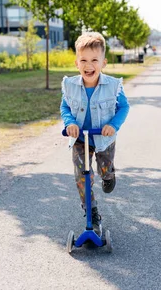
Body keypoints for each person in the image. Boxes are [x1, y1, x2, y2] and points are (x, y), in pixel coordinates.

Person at [60, 32, 130, 234]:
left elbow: (123, 107)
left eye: (94, 60)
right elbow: (65, 107)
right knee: (82, 176)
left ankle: (109, 175)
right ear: (76, 63)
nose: (88, 65)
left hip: (104, 138)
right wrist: (70, 122)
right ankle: (92, 213)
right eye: (83, 60)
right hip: (81, 138)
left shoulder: (113, 86)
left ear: (103, 62)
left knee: (103, 169)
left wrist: (113, 126)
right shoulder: (70, 85)